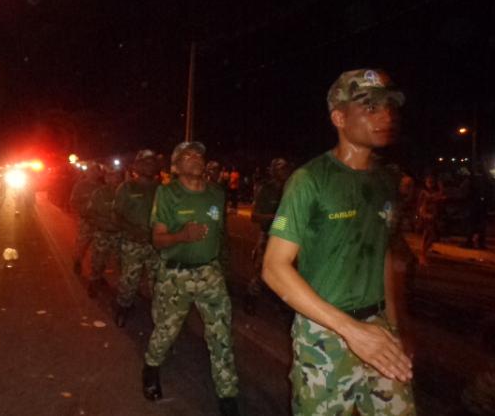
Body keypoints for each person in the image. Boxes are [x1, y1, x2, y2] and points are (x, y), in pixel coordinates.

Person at [263, 69, 415, 415]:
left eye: (389, 105)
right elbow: (274, 268)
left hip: (379, 328)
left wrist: (397, 326)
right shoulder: (310, 180)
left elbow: (387, 257)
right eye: (371, 107)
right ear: (339, 117)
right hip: (324, 332)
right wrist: (352, 332)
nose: (386, 114)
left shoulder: (385, 180)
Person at [142, 141, 240, 416]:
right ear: (176, 167)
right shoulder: (167, 193)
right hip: (176, 273)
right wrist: (182, 236)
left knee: (221, 335)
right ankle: (151, 368)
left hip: (210, 273)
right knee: (167, 330)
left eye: (199, 154)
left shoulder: (217, 194)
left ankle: (227, 394)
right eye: (187, 156)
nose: (196, 158)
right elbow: (157, 239)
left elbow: (223, 235)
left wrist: (225, 268)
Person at [113, 149, 160, 326]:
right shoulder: (126, 187)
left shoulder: (162, 189)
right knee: (129, 280)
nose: (149, 165)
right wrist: (134, 231)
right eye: (145, 162)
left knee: (158, 280)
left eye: (152, 162)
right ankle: (123, 307)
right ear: (137, 166)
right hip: (133, 243)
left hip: (157, 245)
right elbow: (116, 216)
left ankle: (160, 315)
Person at [244, 157, 291, 316]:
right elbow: (254, 216)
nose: (283, 172)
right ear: (272, 171)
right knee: (262, 271)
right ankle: (251, 297)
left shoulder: (292, 189)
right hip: (269, 235)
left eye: (285, 169)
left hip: (288, 236)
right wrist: (274, 218)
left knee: (287, 271)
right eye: (279, 169)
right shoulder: (266, 189)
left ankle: (282, 302)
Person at [85, 169, 123, 298]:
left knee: (122, 263)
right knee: (98, 262)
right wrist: (101, 223)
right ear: (106, 178)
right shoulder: (99, 193)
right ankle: (94, 283)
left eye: (117, 176)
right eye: (111, 176)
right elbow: (90, 213)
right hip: (103, 234)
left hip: (120, 234)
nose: (114, 179)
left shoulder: (124, 193)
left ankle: (125, 291)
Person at [69, 164, 102, 275]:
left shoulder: (101, 186)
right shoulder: (80, 186)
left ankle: (96, 273)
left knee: (98, 249)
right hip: (86, 221)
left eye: (96, 171)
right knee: (81, 246)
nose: (93, 173)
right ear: (87, 173)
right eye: (91, 171)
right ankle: (77, 262)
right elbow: (73, 202)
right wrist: (83, 212)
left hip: (99, 222)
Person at [416, 174, 446, 267]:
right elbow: (422, 203)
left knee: (430, 236)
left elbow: (439, 197)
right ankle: (422, 255)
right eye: (429, 182)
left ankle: (423, 255)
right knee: (429, 235)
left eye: (432, 182)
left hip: (432, 215)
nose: (430, 184)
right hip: (426, 216)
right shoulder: (424, 192)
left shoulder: (432, 192)